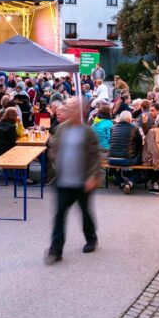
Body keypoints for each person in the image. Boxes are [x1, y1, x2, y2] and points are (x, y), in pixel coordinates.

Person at [45, 98, 101, 265]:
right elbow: (53, 147)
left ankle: (91, 238)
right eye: (68, 107)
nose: (68, 109)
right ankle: (55, 250)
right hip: (63, 181)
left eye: (72, 107)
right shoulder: (61, 129)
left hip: (83, 182)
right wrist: (55, 161)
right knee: (59, 215)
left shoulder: (87, 132)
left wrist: (93, 176)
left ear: (80, 110)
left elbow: (96, 156)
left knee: (85, 213)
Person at [108, 110, 144, 194]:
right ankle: (130, 183)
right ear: (129, 119)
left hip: (112, 159)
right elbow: (140, 143)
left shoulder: (113, 128)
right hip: (127, 159)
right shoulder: (134, 128)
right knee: (141, 164)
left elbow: (110, 142)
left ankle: (121, 183)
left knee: (114, 166)